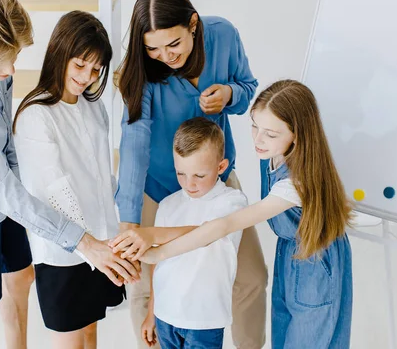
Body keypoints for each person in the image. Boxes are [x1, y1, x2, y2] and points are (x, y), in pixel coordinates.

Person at [0, 0, 139, 349]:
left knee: (21, 278)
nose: (10, 72)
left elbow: (8, 151)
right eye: (0, 65)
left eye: (15, 57)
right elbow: (2, 191)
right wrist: (84, 243)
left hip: (7, 187)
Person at [116, 80, 354, 349]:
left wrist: (158, 250)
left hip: (315, 259)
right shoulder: (275, 154)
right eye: (255, 126)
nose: (258, 139)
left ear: (298, 134)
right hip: (290, 254)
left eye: (270, 134)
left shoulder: (296, 182)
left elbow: (224, 225)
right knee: (284, 333)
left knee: (309, 339)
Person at [115, 0, 267, 348]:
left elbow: (247, 86)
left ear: (194, 25)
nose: (165, 56)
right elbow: (134, 144)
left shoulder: (224, 35)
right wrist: (129, 223)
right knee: (145, 283)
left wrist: (230, 95)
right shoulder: (145, 70)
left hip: (216, 181)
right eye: (152, 48)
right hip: (160, 184)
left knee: (251, 277)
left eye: (173, 44)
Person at [13, 10, 125, 349]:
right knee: (70, 339)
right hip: (65, 251)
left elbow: (101, 179)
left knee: (89, 333)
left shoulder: (93, 107)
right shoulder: (36, 115)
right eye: (80, 65)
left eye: (95, 70)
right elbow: (52, 192)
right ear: (59, 53)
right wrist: (92, 247)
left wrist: (111, 237)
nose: (87, 77)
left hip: (102, 240)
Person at [137, 117, 247, 349]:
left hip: (204, 320)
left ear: (221, 167)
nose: (189, 184)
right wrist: (152, 312)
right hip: (166, 315)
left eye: (199, 175)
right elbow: (159, 265)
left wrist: (155, 235)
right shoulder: (167, 205)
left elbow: (210, 233)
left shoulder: (232, 202)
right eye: (181, 173)